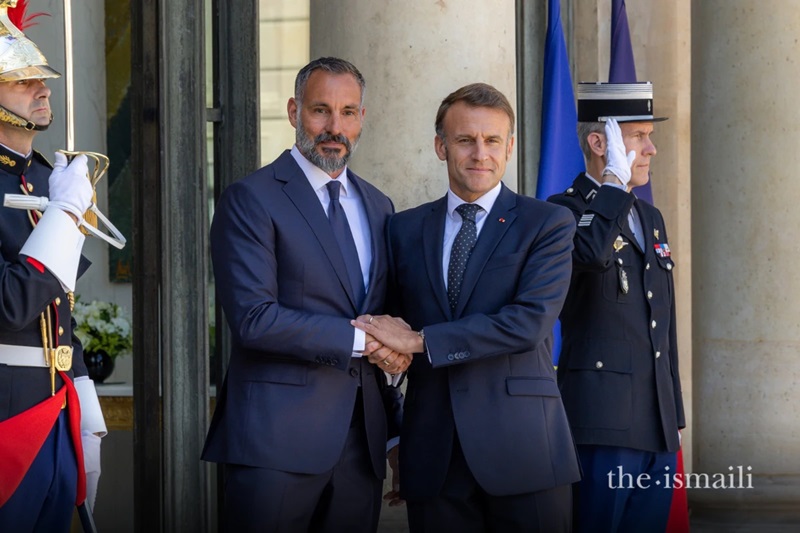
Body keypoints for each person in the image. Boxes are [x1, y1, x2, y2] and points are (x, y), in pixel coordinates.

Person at [352, 83, 581, 532]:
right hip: (432, 456)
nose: (480, 153)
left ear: (509, 147)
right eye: (465, 140)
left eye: (492, 140)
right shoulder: (403, 229)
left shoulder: (548, 223)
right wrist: (396, 434)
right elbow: (387, 331)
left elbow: (528, 323)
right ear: (441, 147)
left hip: (524, 452)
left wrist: (421, 341)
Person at [201, 57, 407, 532]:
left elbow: (382, 316)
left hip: (361, 450)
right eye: (320, 110)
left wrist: (395, 433)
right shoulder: (251, 198)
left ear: (362, 118)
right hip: (275, 445)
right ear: (294, 112)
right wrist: (367, 340)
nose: (335, 127)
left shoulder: (379, 205)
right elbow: (254, 319)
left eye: (348, 112)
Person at [547, 82, 685, 532]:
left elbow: (664, 324)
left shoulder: (650, 217)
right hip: (601, 421)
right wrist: (612, 184)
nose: (651, 149)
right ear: (599, 142)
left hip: (656, 424)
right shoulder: (562, 211)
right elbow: (589, 252)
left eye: (649, 136)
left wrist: (673, 414)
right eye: (638, 136)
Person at [0, 2, 107, 531]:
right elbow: (11, 304)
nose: (42, 90)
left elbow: (59, 307)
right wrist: (64, 213)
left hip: (58, 406)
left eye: (41, 78)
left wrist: (82, 391)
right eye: (22, 81)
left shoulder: (44, 178)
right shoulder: (55, 192)